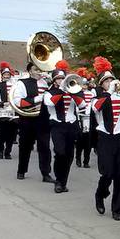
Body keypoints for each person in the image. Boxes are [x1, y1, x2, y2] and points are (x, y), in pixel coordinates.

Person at [92, 57, 120, 221]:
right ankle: (100, 193)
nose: (110, 82)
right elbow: (96, 108)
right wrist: (110, 92)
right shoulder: (98, 98)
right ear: (101, 84)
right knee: (107, 172)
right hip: (105, 137)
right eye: (106, 80)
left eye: (112, 79)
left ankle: (116, 209)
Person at [43, 60, 85, 193]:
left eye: (63, 78)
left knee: (69, 155)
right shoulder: (50, 92)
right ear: (54, 81)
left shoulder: (74, 90)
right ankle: (58, 180)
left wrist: (72, 92)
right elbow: (50, 104)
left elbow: (83, 105)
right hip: (57, 126)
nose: (61, 80)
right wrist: (62, 91)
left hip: (72, 125)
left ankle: (63, 182)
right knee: (60, 153)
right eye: (59, 79)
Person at [13, 61, 54, 182]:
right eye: (36, 70)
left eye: (40, 70)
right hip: (27, 119)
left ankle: (46, 174)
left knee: (45, 147)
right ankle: (21, 170)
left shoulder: (47, 83)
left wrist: (52, 81)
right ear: (30, 71)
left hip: (43, 119)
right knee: (25, 146)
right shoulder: (22, 83)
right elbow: (18, 102)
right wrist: (37, 99)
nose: (39, 72)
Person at [0, 62, 18, 159]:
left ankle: (8, 152)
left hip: (13, 112)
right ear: (2, 75)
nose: (6, 76)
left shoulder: (15, 85)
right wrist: (1, 103)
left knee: (12, 133)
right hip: (2, 111)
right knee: (2, 133)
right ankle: (0, 149)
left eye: (8, 74)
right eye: (5, 74)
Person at [75, 69, 95, 169]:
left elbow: (92, 105)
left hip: (88, 118)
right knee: (80, 141)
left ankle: (86, 161)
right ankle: (78, 158)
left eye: (85, 85)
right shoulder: (76, 93)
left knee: (88, 142)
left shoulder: (91, 94)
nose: (84, 87)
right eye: (82, 85)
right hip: (80, 117)